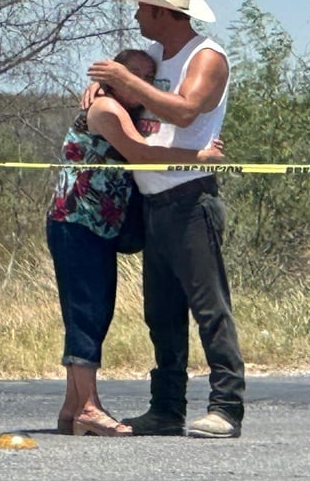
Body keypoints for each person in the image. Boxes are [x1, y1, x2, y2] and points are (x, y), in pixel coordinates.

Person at [85, 0, 245, 438]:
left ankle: (227, 405)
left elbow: (184, 109)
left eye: (141, 6)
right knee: (161, 312)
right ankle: (167, 405)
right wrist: (102, 86)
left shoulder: (206, 56)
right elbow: (117, 86)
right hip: (152, 198)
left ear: (162, 10)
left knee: (209, 305)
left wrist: (125, 82)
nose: (135, 14)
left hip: (190, 196)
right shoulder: (152, 55)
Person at [47, 48, 225, 437]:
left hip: (99, 226)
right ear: (115, 77)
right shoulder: (107, 111)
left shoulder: (129, 109)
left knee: (93, 311)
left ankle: (72, 406)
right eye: (133, 75)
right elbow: (142, 153)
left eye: (148, 75)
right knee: (88, 312)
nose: (140, 82)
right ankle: (89, 408)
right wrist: (200, 156)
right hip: (77, 221)